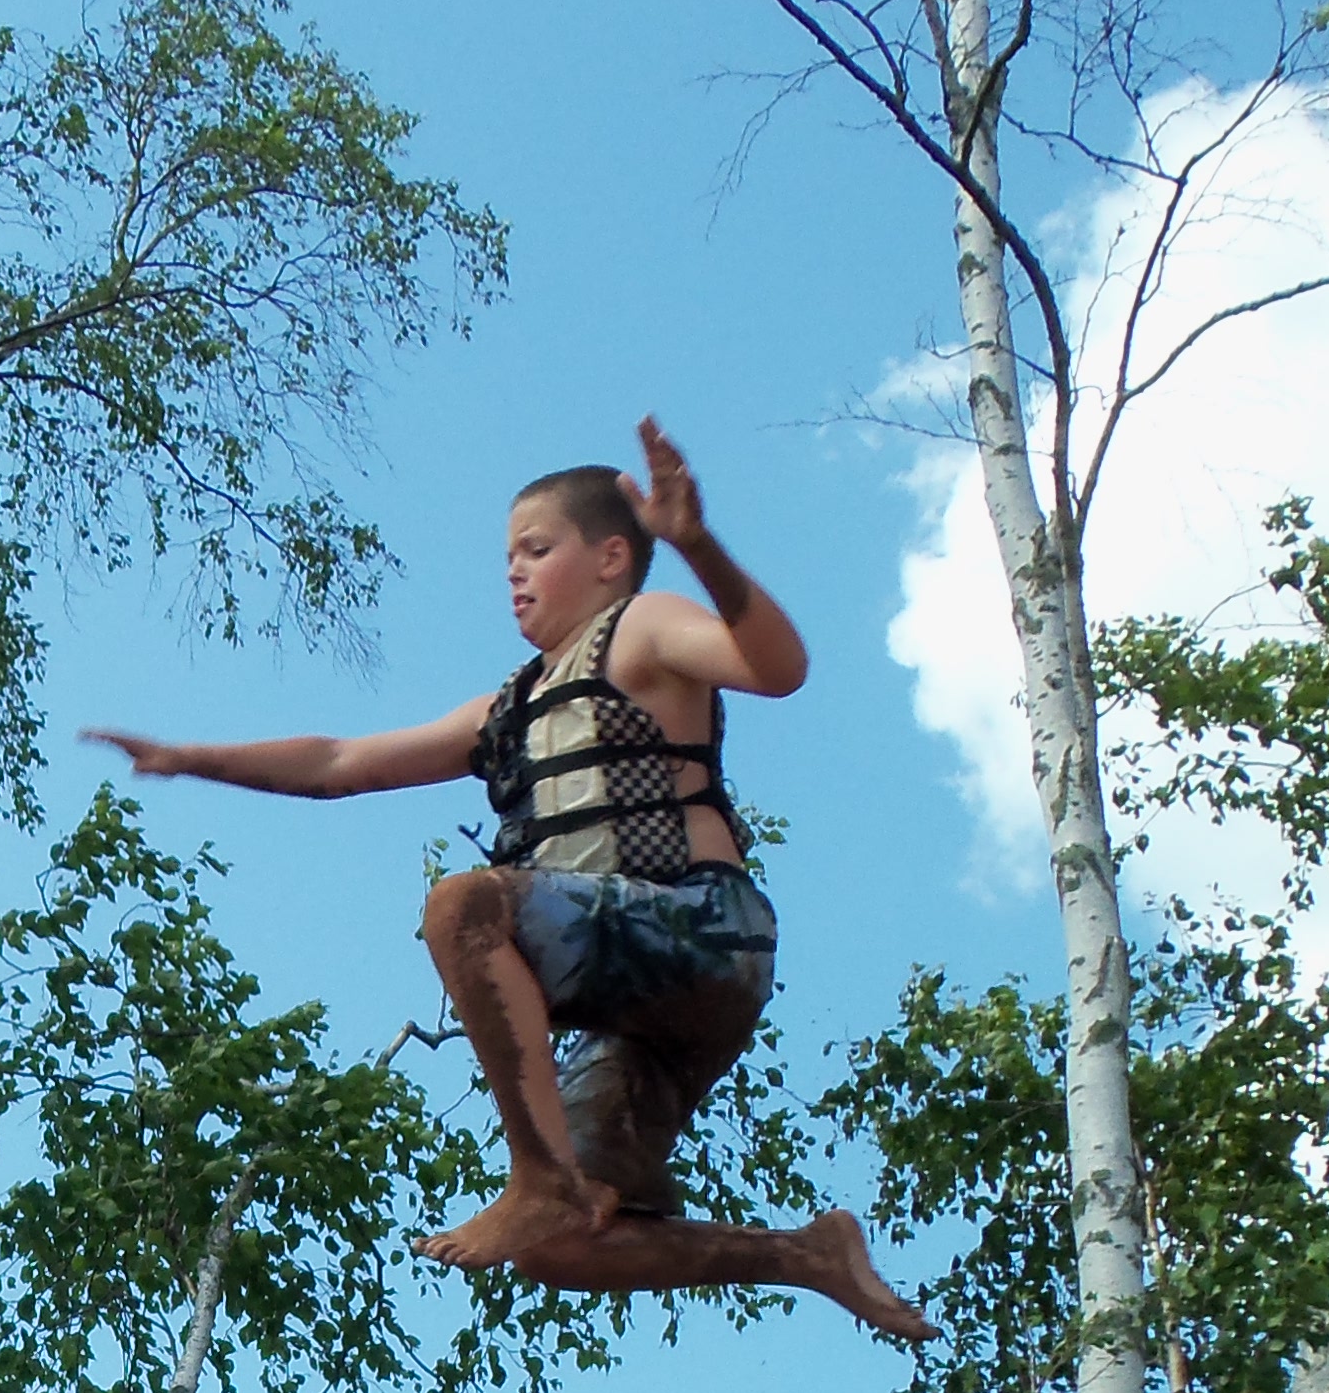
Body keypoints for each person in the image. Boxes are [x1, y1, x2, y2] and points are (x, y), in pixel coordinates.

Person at [87, 419, 935, 1343]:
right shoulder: (509, 707)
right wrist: (192, 758)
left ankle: (538, 1179)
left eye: (536, 549)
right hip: (634, 1012)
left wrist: (698, 547)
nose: (514, 573)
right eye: (507, 558)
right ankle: (801, 1256)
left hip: (703, 935)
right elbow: (339, 763)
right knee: (561, 1250)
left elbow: (779, 667)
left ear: (611, 557)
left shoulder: (643, 629)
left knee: (464, 906)